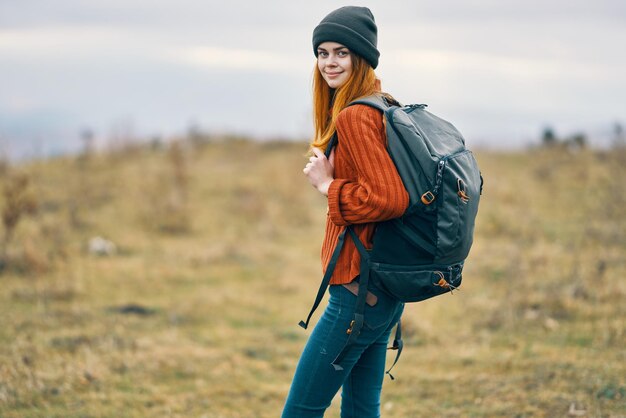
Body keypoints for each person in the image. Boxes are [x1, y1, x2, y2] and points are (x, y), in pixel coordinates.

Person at [281, 6, 409, 418]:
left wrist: (327, 186)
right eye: (322, 53)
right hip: (381, 289)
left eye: (341, 53)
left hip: (356, 293)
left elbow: (389, 198)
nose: (329, 63)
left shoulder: (355, 115)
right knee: (359, 409)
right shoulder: (382, 104)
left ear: (361, 57)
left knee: (300, 411)